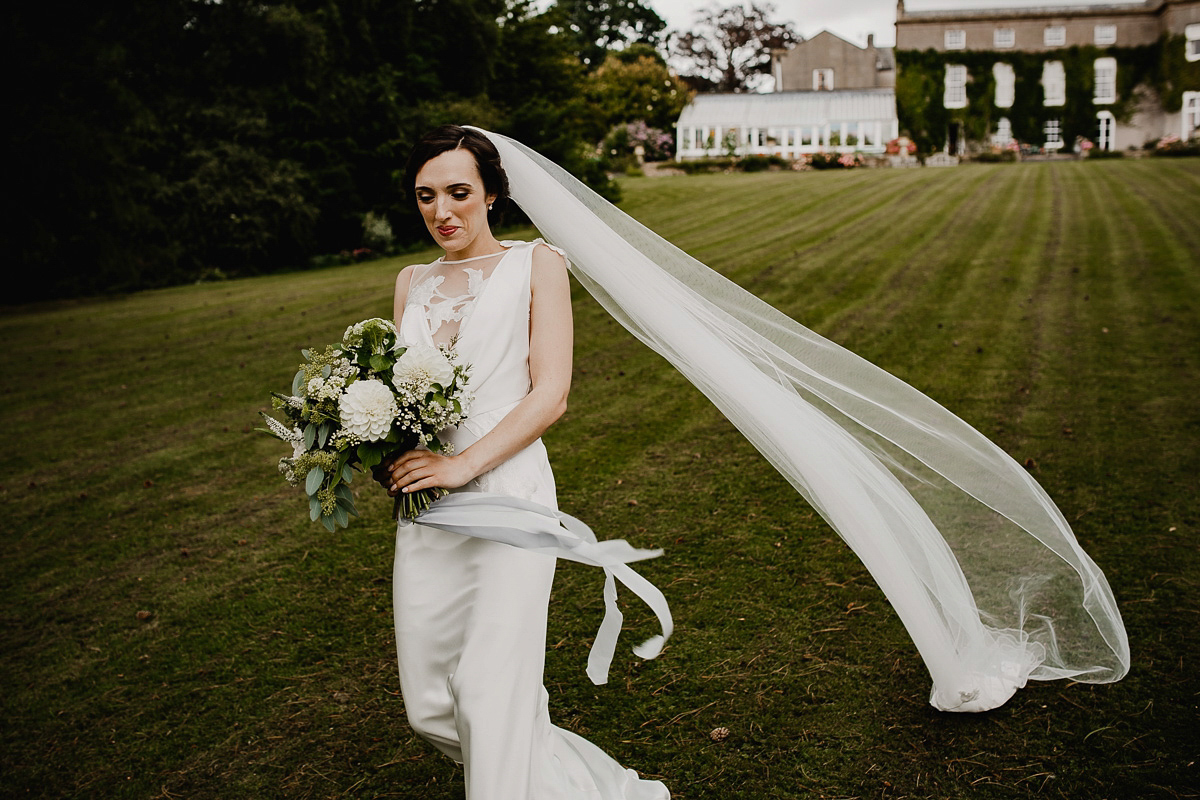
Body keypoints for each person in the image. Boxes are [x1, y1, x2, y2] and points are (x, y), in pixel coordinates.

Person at [375, 125, 670, 799]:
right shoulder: (410, 282)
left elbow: (552, 392)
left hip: (509, 491)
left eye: (458, 193)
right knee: (430, 706)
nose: (442, 212)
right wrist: (370, 443)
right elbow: (401, 395)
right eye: (426, 196)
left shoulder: (536, 263)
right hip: (427, 508)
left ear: (493, 193)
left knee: (488, 691)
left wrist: (464, 464)